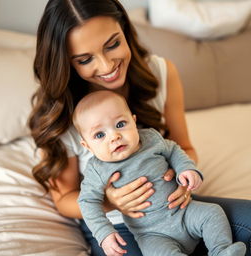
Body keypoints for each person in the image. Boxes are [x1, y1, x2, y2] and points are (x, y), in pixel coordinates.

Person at [28, 0, 251, 255]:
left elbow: (183, 146)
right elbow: (64, 198)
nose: (107, 65)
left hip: (176, 204)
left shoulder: (160, 72)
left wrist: (183, 177)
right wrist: (110, 202)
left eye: (112, 44)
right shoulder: (64, 114)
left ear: (125, 30)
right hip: (121, 225)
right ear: (66, 61)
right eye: (85, 59)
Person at [73, 90, 246, 256]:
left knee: (213, 213)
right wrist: (104, 232)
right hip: (151, 234)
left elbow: (174, 150)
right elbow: (87, 201)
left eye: (120, 124)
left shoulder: (150, 138)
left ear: (133, 121)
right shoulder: (97, 169)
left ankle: (221, 251)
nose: (114, 136)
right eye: (99, 134)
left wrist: (186, 169)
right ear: (87, 146)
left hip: (184, 212)